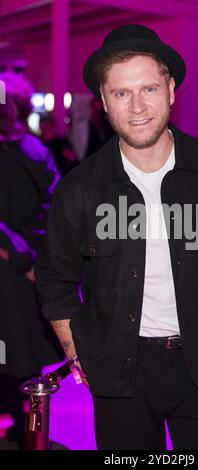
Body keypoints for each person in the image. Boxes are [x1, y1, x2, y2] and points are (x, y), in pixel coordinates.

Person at [35, 24, 198, 450]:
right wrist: (77, 355)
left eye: (149, 88)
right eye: (122, 93)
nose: (138, 106)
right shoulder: (78, 189)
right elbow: (54, 280)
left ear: (171, 90)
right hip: (118, 372)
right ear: (105, 101)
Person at [0, 92, 63, 448]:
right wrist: (32, 255)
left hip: (12, 268)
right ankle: (26, 431)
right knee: (24, 352)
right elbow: (54, 207)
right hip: (28, 275)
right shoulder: (36, 150)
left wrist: (17, 254)